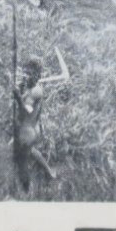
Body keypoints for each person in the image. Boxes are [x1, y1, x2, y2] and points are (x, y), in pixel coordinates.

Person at [12, 51, 70, 194]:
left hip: (29, 131)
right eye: (25, 71)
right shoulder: (29, 86)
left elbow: (27, 111)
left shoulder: (36, 91)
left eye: (30, 73)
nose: (26, 75)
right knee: (29, 151)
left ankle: (27, 189)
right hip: (28, 127)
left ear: (38, 75)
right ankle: (50, 173)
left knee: (21, 157)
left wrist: (18, 97)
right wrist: (19, 87)